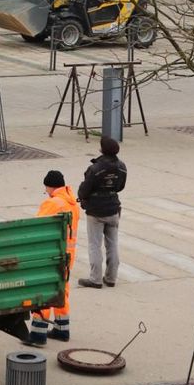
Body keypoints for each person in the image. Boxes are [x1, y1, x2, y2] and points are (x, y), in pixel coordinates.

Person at [30, 170, 80, 345]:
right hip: (68, 255)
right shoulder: (72, 203)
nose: (46, 191)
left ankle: (37, 334)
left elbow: (36, 227)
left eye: (46, 187)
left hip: (53, 254)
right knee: (62, 290)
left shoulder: (52, 203)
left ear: (50, 186)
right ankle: (61, 329)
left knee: (45, 290)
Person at [77, 135, 127, 288]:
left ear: (101, 149)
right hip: (113, 208)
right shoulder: (121, 167)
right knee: (112, 244)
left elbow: (84, 190)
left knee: (94, 245)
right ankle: (111, 278)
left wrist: (83, 198)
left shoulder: (95, 169)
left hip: (96, 211)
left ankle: (95, 279)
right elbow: (120, 187)